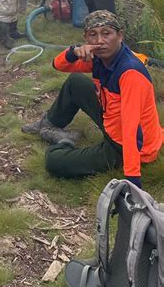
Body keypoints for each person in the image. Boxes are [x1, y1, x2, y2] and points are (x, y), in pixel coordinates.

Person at [22, 11, 162, 187]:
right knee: (76, 81)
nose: (100, 41)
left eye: (106, 33)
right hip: (111, 117)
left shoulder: (130, 72)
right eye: (93, 34)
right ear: (86, 38)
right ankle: (49, 123)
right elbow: (58, 65)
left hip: (126, 147)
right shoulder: (99, 58)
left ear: (120, 36)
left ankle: (64, 141)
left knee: (54, 161)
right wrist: (73, 51)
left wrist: (132, 181)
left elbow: (132, 128)